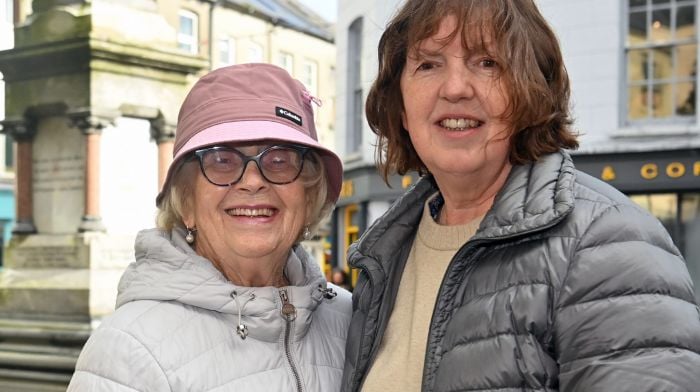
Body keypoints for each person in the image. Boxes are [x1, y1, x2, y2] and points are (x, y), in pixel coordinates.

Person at [341, 1, 700, 391]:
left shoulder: (610, 244)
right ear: (402, 106)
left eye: (487, 62)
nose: (456, 88)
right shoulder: (384, 259)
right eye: (428, 64)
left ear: (530, 90)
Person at [67, 63, 351, 391]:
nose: (253, 181)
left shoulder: (350, 318)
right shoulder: (129, 348)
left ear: (309, 195)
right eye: (221, 159)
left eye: (279, 159)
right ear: (186, 201)